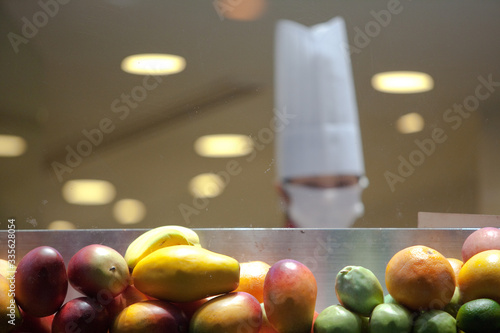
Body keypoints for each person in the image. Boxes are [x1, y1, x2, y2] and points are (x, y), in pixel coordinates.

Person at [274, 16, 368, 228]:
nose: (328, 198)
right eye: (312, 186)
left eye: (343, 184)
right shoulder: (267, 259)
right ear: (282, 192)